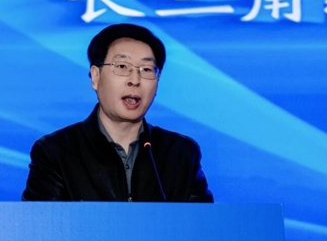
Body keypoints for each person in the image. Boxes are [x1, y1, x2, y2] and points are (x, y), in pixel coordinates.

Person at [22, 23, 213, 202]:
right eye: (122, 67)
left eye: (146, 69)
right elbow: (40, 223)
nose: (135, 80)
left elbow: (205, 223)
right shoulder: (56, 152)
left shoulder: (181, 153)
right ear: (95, 77)